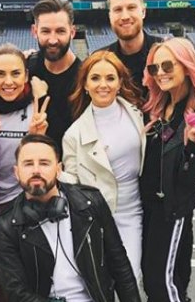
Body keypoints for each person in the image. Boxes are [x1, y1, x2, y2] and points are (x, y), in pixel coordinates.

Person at [0, 134, 142, 302]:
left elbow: (119, 264)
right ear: (16, 172)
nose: (36, 170)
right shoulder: (7, 225)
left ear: (58, 169)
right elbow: (16, 292)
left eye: (44, 163)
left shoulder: (90, 203)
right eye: (28, 163)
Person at [140, 38, 195, 302]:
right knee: (161, 282)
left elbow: (188, 177)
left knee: (162, 284)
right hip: (149, 207)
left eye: (167, 65)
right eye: (154, 68)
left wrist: (194, 148)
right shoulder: (156, 107)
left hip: (171, 209)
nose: (160, 73)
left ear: (186, 66)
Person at [61, 50, 146, 294]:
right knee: (100, 288)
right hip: (99, 222)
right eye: (95, 78)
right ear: (85, 84)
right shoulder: (73, 135)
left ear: (120, 82)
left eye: (110, 78)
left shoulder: (139, 114)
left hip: (136, 214)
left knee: (132, 282)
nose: (103, 85)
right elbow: (73, 188)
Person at [0, 43, 50, 214]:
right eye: (0, 74)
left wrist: (35, 139)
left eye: (16, 73)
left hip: (21, 199)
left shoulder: (37, 108)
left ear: (26, 75)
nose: (8, 82)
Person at [27, 0, 82, 149]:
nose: (52, 40)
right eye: (45, 31)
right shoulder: (26, 68)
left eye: (60, 31)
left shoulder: (85, 77)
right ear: (34, 31)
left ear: (72, 32)